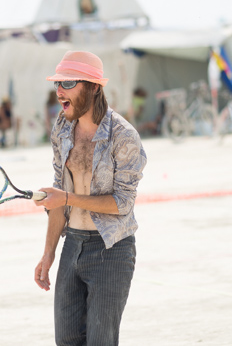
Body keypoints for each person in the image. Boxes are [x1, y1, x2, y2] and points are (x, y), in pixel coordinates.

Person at [33, 50, 147, 346]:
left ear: (95, 87)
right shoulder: (61, 128)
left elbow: (122, 203)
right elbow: (60, 195)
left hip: (111, 249)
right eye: (57, 84)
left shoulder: (123, 137)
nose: (59, 92)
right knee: (67, 340)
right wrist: (49, 253)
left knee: (100, 341)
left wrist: (66, 197)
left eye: (68, 83)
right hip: (73, 244)